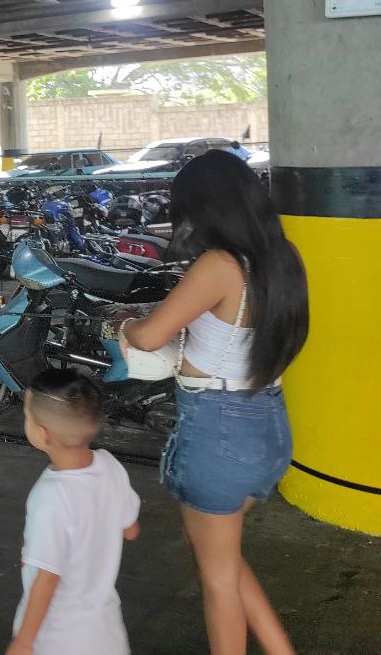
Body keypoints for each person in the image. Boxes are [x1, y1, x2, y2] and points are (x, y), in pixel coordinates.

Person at [117, 150, 307, 655]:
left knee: (216, 578)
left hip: (220, 434)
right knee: (223, 558)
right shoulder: (284, 258)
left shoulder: (219, 265)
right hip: (268, 429)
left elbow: (154, 335)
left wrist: (124, 326)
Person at [8, 369, 140, 655]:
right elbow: (130, 529)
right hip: (105, 632)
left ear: (43, 433)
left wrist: (25, 641)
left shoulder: (50, 496)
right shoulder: (109, 465)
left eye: (27, 417)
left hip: (57, 638)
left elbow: (47, 579)